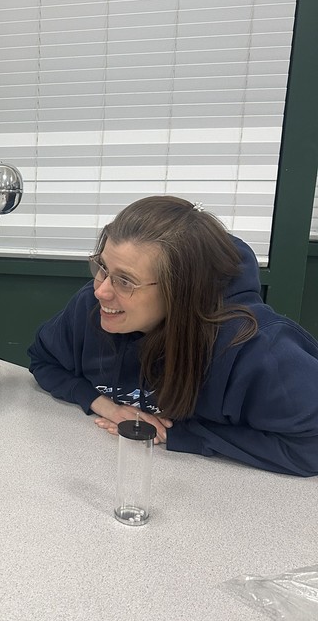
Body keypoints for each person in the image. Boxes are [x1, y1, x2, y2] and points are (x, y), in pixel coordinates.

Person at [28, 195, 318, 477]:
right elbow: (44, 360)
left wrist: (183, 435)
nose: (101, 290)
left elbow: (310, 447)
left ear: (180, 290)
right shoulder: (91, 307)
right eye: (102, 267)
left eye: (125, 280)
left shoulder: (259, 350)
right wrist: (107, 406)